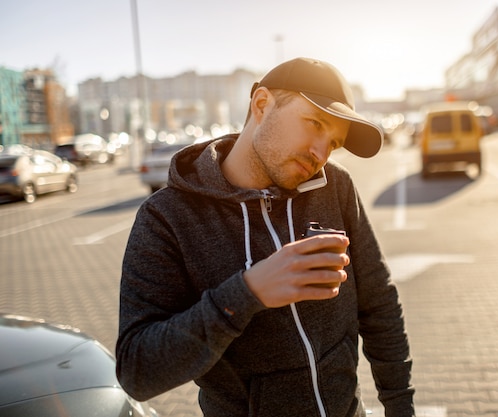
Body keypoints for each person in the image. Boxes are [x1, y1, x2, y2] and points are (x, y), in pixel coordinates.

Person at [116, 57, 414, 417]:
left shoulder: (334, 187)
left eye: (333, 143)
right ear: (261, 104)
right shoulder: (168, 218)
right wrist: (246, 293)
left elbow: (379, 303)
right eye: (314, 123)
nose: (320, 154)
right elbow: (137, 371)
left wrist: (401, 407)